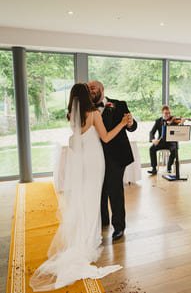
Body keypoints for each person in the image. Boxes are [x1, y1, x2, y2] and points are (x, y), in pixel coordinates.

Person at [30, 83, 127, 291]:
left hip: (81, 162)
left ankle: (86, 236)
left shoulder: (72, 115)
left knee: (85, 198)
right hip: (94, 161)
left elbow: (76, 137)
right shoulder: (93, 114)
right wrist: (121, 123)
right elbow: (107, 137)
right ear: (85, 96)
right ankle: (89, 240)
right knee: (92, 200)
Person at [88, 80, 137, 241]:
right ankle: (103, 221)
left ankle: (119, 227)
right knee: (99, 189)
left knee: (115, 191)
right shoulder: (87, 109)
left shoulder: (119, 104)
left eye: (93, 87)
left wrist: (130, 123)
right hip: (96, 156)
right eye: (88, 88)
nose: (91, 90)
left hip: (116, 155)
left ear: (102, 89)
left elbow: (132, 125)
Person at [147, 105, 178, 175]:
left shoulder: (174, 120)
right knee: (152, 148)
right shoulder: (158, 121)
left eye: (169, 113)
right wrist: (153, 140)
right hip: (161, 142)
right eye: (166, 113)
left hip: (171, 142)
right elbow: (151, 132)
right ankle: (154, 168)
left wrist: (181, 122)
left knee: (175, 150)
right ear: (162, 113)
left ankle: (169, 166)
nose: (168, 115)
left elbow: (179, 130)